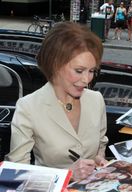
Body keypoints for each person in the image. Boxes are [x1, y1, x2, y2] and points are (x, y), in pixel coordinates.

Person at [6, 22, 108, 182]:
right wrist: (67, 175)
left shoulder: (96, 100)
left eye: (92, 71)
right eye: (79, 71)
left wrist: (98, 161)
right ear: (55, 65)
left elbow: (100, 146)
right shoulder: (28, 107)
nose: (87, 80)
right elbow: (17, 175)